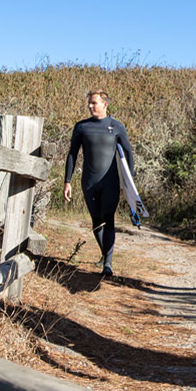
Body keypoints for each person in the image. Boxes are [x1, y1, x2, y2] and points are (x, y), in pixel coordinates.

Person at [63, 90, 135, 278]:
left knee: (108, 218)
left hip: (110, 181)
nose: (90, 106)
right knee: (96, 220)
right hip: (89, 181)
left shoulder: (116, 126)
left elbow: (128, 153)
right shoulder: (81, 127)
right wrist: (67, 181)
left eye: (94, 103)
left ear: (105, 104)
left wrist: (130, 182)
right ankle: (105, 255)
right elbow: (72, 154)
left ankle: (108, 264)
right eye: (89, 103)